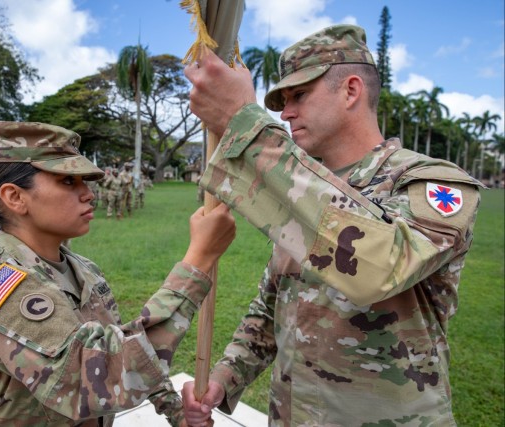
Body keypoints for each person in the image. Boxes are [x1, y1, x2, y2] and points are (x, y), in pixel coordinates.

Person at [181, 24, 483, 426]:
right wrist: (224, 376)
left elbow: (379, 268)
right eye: (282, 101)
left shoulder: (431, 182)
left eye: (299, 95)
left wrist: (246, 124)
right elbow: (272, 308)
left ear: (351, 90)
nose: (285, 113)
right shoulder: (303, 187)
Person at [0, 121, 236, 426]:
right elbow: (98, 376)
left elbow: (119, 342)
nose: (89, 194)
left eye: (85, 182)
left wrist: (176, 410)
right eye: (68, 182)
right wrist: (198, 261)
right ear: (15, 197)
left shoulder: (84, 270)